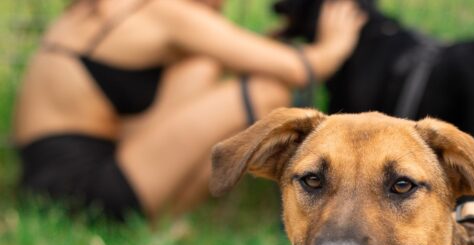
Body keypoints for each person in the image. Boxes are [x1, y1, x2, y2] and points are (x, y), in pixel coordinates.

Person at [12, 0, 365, 220]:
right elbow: (299, 69)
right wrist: (338, 40)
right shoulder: (164, 13)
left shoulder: (101, 8)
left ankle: (162, 219)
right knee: (264, 91)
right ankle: (167, 220)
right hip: (89, 194)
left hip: (49, 187)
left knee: (201, 63)